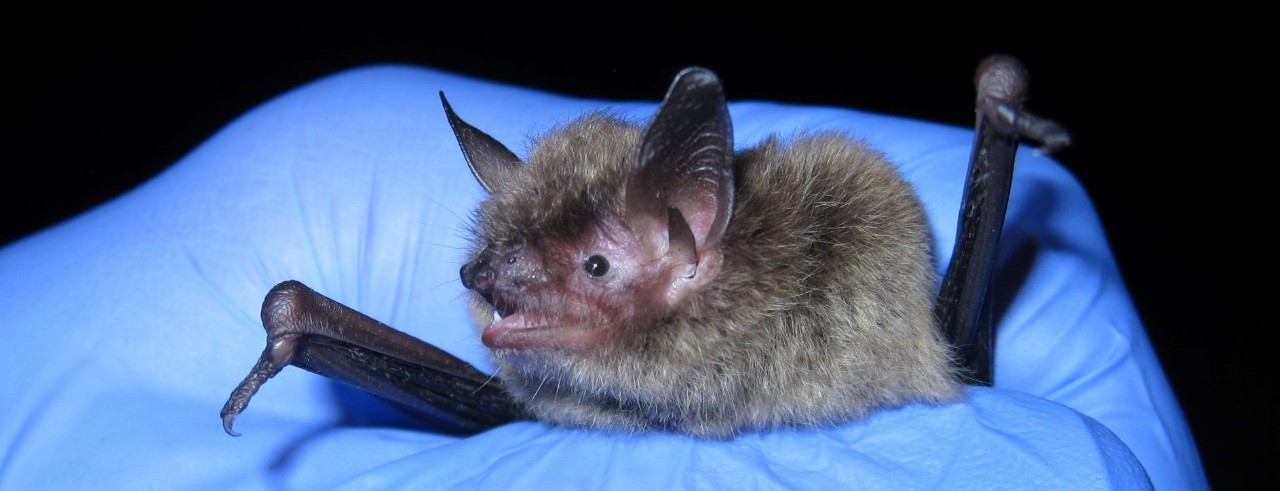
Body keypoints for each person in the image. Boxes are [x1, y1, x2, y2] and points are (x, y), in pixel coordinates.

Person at [0, 64, 1206, 489]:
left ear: (688, 232)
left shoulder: (815, 238)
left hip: (868, 338)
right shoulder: (546, 337)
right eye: (504, 282)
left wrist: (996, 136)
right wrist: (303, 332)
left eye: (587, 266)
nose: (508, 310)